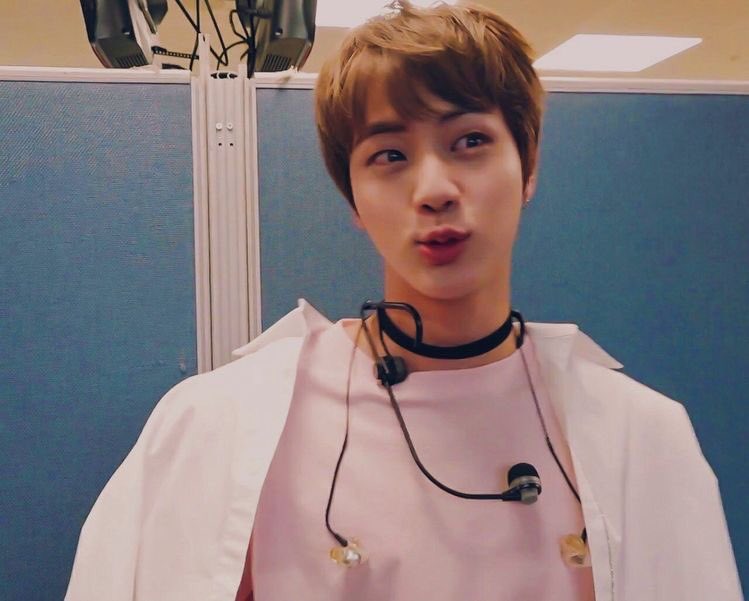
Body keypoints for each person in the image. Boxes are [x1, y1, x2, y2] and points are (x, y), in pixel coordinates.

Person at [65, 2, 742, 600]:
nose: (434, 189)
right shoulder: (218, 427)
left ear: (528, 165)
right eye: (389, 155)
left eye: (470, 141)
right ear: (353, 199)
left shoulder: (640, 439)